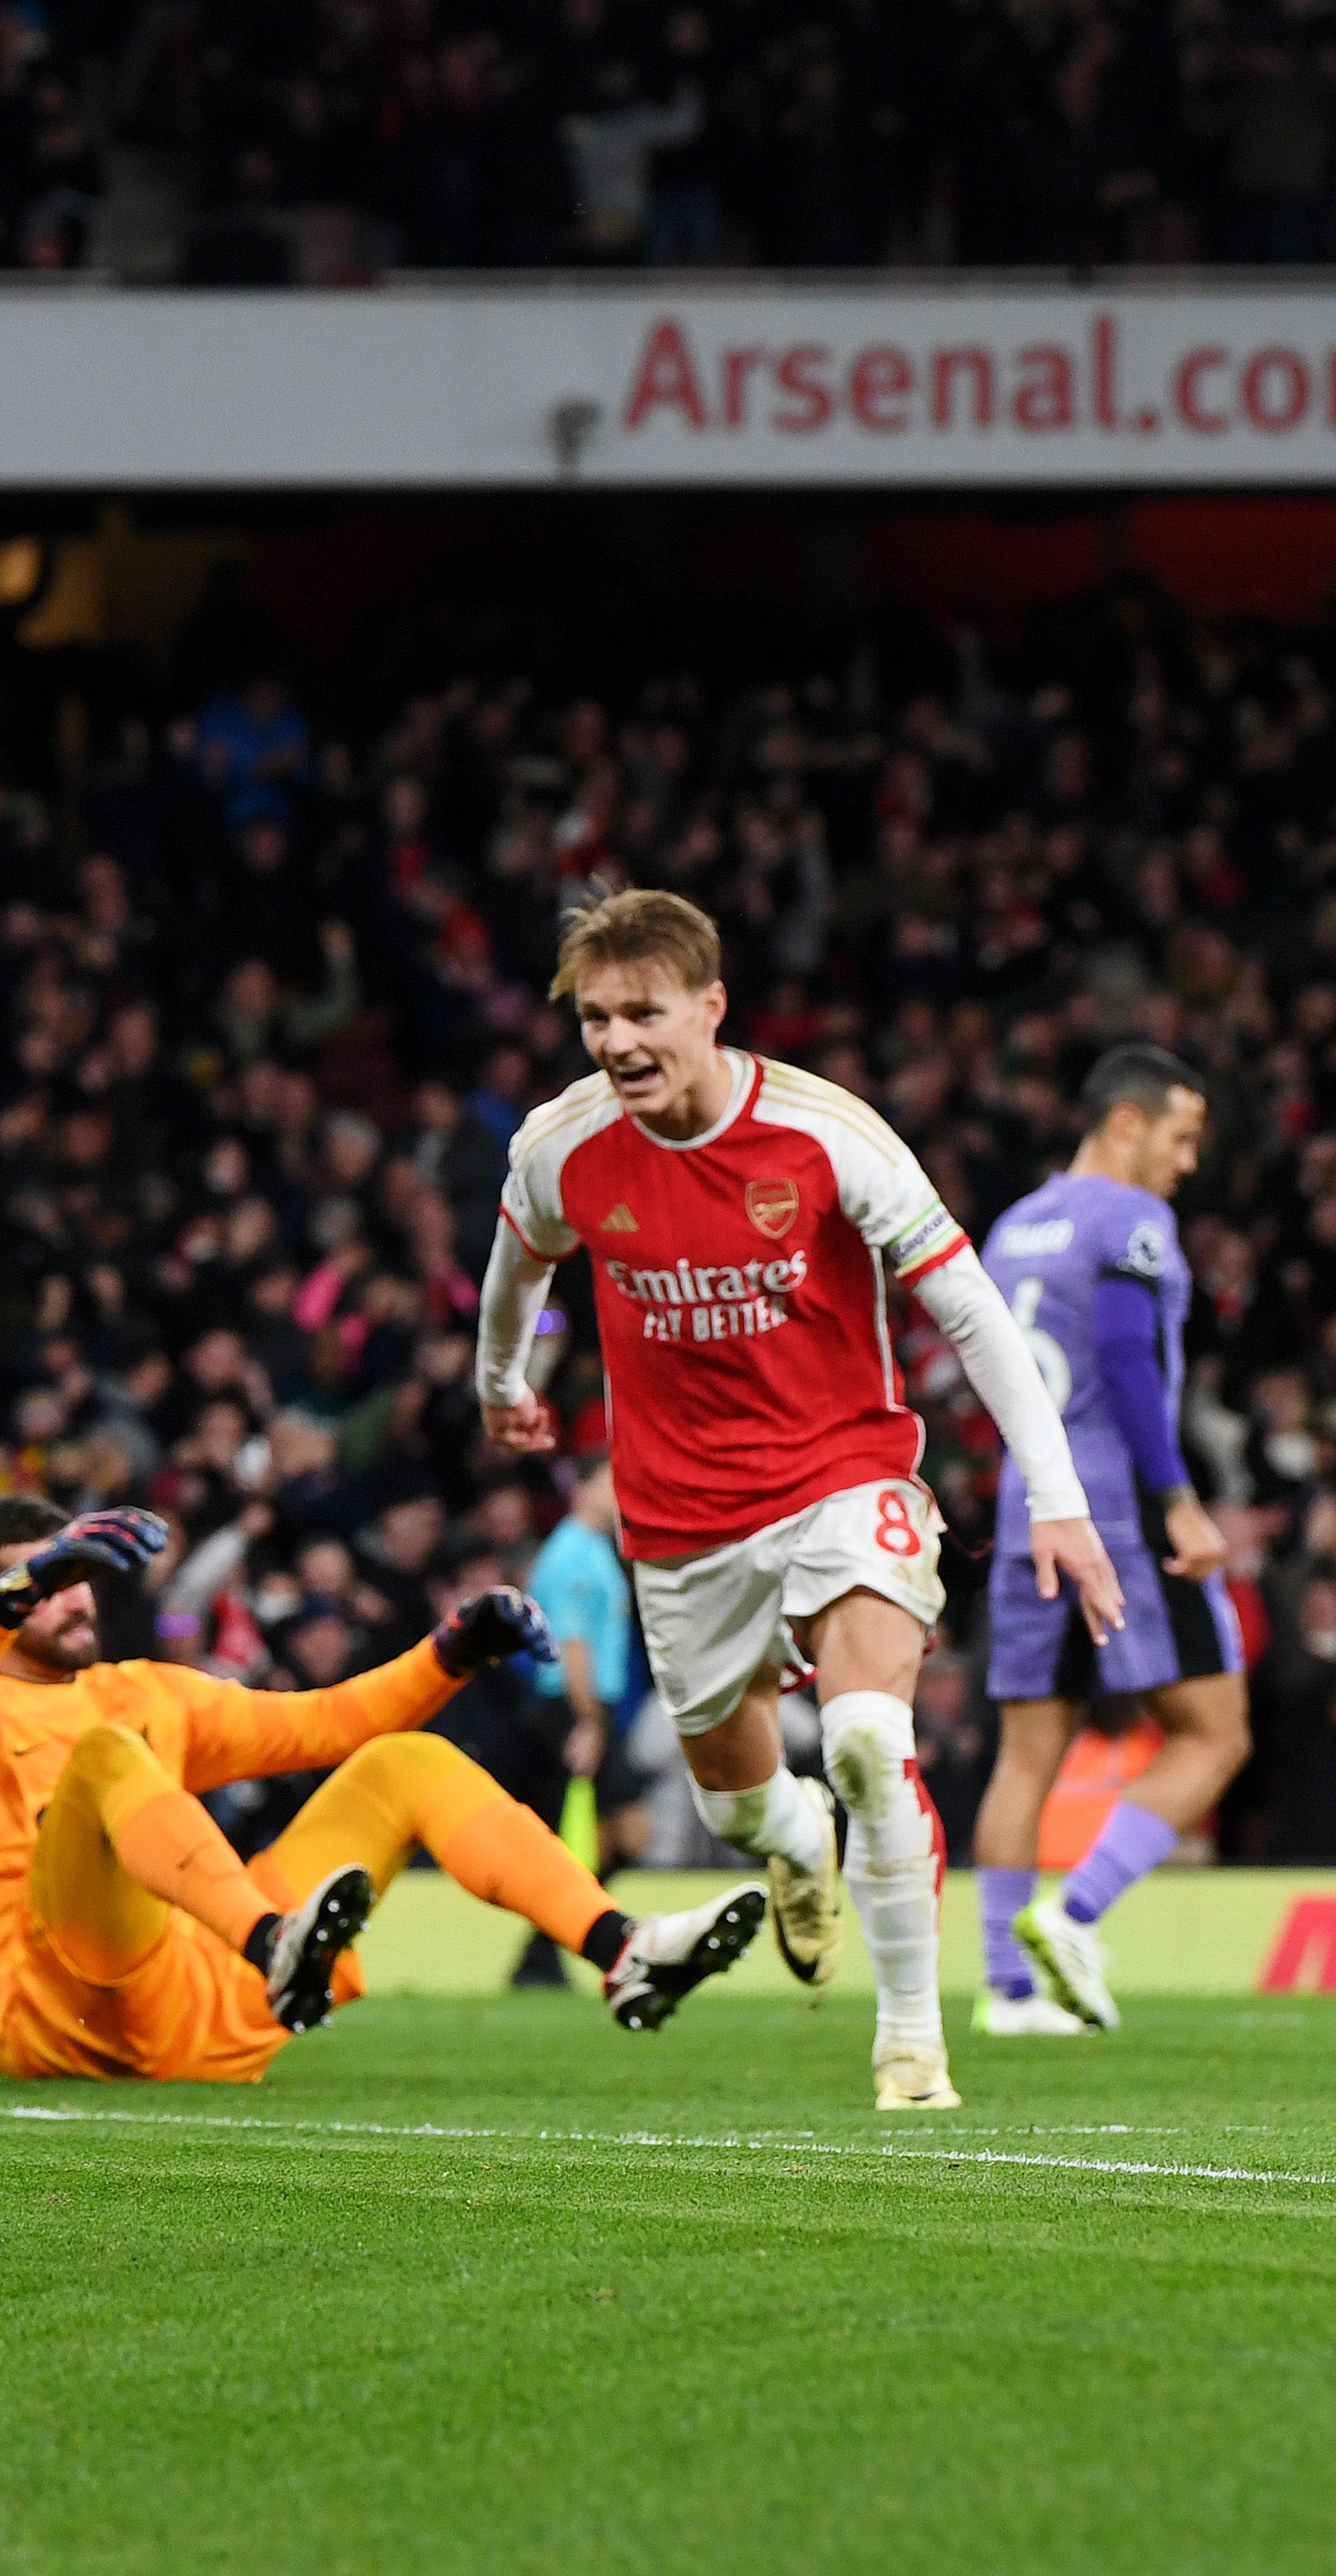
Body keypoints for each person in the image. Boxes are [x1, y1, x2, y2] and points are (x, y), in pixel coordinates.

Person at [475, 888, 1117, 2112]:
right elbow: (517, 1272)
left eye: (644, 1013)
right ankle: (797, 1844)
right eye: (597, 1018)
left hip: (842, 1473)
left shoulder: (829, 1137)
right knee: (740, 1805)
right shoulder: (564, 1147)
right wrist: (504, 1381)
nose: (618, 1043)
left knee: (874, 1737)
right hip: (678, 1522)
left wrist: (1060, 1498)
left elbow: (973, 1312)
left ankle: (912, 2047)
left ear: (710, 1007)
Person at [0, 1499, 766, 2082]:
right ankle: (274, 1943)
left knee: (401, 1762)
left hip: (202, 2003)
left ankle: (621, 1948)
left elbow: (327, 1723)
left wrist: (448, 1651)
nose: (72, 1598)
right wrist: (9, 1600)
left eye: (72, 1576)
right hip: (53, 2011)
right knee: (109, 1755)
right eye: (41, 1583)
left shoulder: (146, 1688)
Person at [972, 1045, 1252, 2035]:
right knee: (1215, 1732)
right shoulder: (1131, 1218)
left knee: (1024, 1755)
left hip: (1023, 1510)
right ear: (1125, 1122)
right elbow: (1129, 1360)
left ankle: (1005, 1989)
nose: (1184, 1163)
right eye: (1177, 1138)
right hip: (1117, 1514)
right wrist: (1177, 1498)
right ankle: (1075, 1911)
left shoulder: (1012, 1227)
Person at [524, 1461, 649, 1866]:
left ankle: (574, 1925)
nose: (618, 1494)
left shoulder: (595, 1548)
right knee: (613, 1832)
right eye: (608, 1482)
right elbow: (572, 1645)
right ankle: (567, 1926)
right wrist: (588, 1721)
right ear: (579, 1487)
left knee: (613, 1832)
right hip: (573, 1704)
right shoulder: (571, 1555)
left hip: (590, 1704)